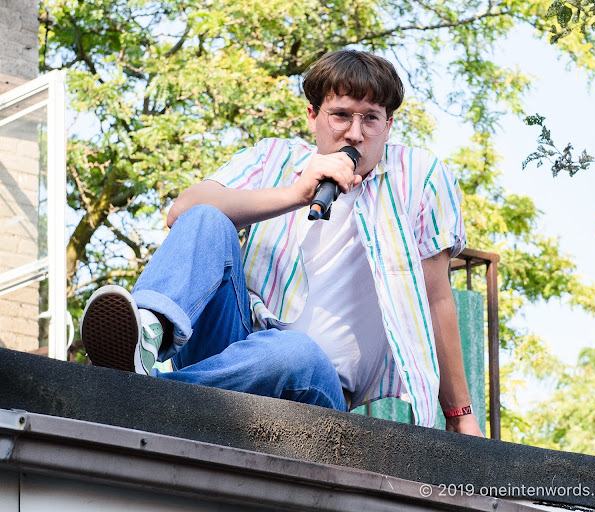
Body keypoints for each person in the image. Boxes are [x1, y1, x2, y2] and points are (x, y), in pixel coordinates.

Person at [81, 50, 483, 436]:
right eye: (341, 115)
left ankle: (144, 395)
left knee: (293, 352)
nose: (355, 133)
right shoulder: (274, 157)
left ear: (389, 124)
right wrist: (296, 193)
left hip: (314, 384)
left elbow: (437, 298)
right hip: (228, 348)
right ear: (313, 115)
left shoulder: (420, 177)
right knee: (206, 217)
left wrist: (461, 415)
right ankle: (149, 334)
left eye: (371, 119)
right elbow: (180, 211)